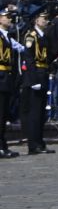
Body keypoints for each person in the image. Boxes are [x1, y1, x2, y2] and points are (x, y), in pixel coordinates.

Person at [23, 11, 52, 153]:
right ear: (36, 20)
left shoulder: (43, 36)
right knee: (35, 112)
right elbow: (29, 59)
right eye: (43, 19)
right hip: (36, 76)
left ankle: (40, 142)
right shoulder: (31, 36)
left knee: (41, 112)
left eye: (47, 19)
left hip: (43, 74)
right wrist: (33, 79)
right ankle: (33, 144)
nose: (46, 21)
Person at [0, 9, 17, 158]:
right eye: (7, 17)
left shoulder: (7, 36)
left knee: (4, 113)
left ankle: (3, 144)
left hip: (6, 76)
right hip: (1, 76)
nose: (9, 20)